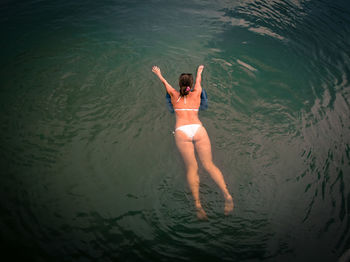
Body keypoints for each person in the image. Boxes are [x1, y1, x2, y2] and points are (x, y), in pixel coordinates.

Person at [152, 65, 234, 219]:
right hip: (198, 129)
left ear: (180, 85)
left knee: (192, 167)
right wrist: (199, 71)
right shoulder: (197, 93)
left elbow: (164, 83)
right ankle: (227, 195)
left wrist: (159, 74)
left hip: (182, 131)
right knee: (209, 164)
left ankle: (198, 205)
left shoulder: (173, 94)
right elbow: (199, 81)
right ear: (191, 85)